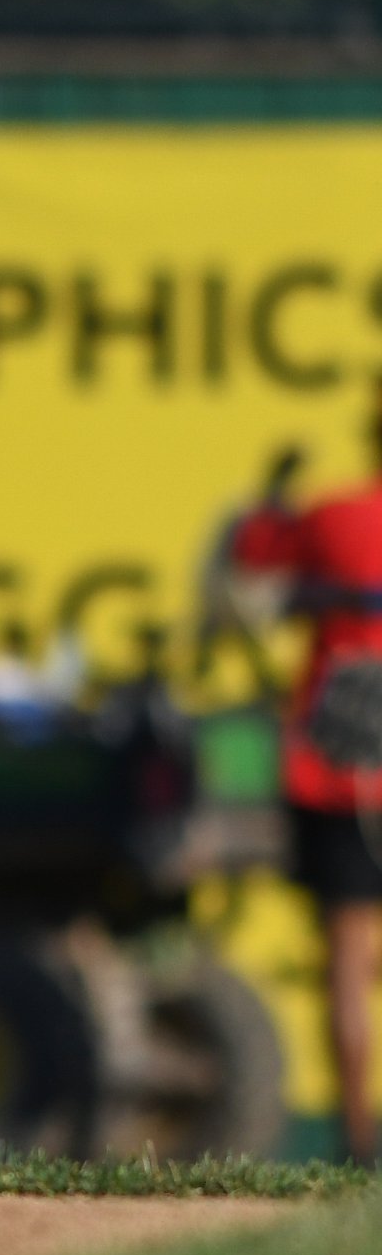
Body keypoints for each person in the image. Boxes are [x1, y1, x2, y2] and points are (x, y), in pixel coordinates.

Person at [231, 395, 382, 1163]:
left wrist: (268, 495)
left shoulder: (335, 519)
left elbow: (246, 566)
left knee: (348, 962)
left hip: (343, 774)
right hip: (345, 773)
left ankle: (358, 1139)